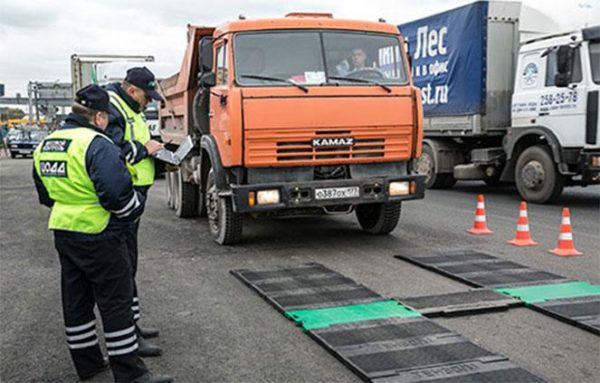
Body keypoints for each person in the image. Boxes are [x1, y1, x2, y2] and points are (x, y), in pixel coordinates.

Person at [33, 84, 172, 383]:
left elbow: (45, 196)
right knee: (115, 303)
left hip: (64, 232)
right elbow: (117, 196)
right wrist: (132, 213)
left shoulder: (48, 144)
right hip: (101, 233)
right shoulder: (97, 144)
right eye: (106, 117)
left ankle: (89, 364)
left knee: (77, 300)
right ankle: (130, 374)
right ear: (98, 117)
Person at [105, 67, 163, 357]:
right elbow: (114, 151)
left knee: (131, 263)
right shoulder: (112, 108)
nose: (149, 102)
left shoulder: (130, 107)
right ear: (131, 90)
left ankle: (133, 326)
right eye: (146, 96)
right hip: (124, 196)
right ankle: (128, 337)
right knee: (124, 265)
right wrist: (145, 149)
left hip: (137, 192)